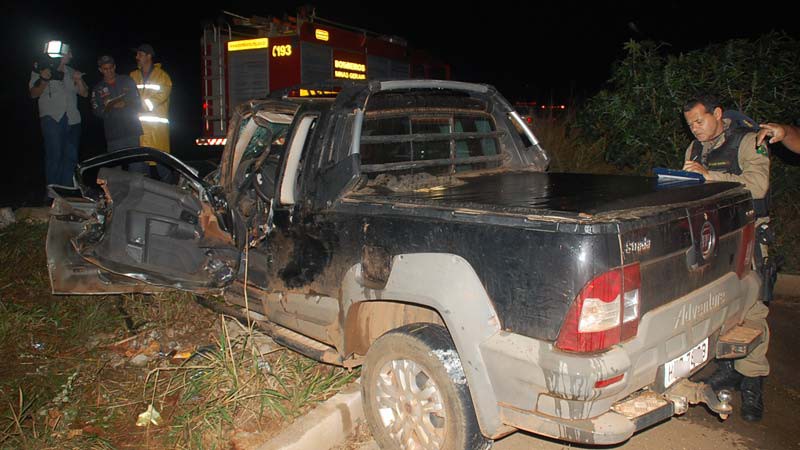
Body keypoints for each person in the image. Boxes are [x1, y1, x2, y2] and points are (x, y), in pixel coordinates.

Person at [681, 94, 770, 422]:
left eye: (699, 120)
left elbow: (758, 185)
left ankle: (753, 381)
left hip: (748, 234)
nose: (695, 128)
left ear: (717, 113)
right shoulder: (694, 149)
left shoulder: (750, 141)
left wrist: (709, 176)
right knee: (719, 303)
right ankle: (730, 369)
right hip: (713, 236)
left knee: (752, 307)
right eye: (690, 124)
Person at [29, 46, 89, 193]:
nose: (71, 56)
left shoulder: (71, 71)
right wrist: (44, 79)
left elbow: (85, 93)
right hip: (52, 118)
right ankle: (53, 193)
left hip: (73, 119)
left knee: (71, 157)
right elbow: (33, 93)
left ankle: (67, 193)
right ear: (61, 53)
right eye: (69, 52)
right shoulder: (41, 68)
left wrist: (78, 80)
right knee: (54, 155)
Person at [130, 43, 173, 181]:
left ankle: (173, 191)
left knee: (163, 167)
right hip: (138, 131)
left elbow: (159, 98)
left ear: (149, 56)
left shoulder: (163, 77)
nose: (137, 57)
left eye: (140, 54)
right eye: (137, 54)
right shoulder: (132, 76)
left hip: (156, 132)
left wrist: (137, 105)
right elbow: (127, 97)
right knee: (141, 171)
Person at [90, 55, 143, 151]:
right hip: (113, 135)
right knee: (116, 160)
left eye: (111, 68)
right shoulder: (98, 88)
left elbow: (138, 101)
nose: (109, 71)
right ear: (100, 70)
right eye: (105, 69)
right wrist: (109, 107)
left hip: (132, 130)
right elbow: (96, 111)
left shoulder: (126, 80)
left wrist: (125, 103)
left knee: (136, 159)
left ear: (114, 67)